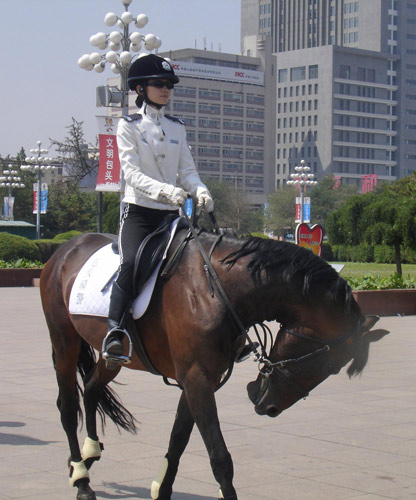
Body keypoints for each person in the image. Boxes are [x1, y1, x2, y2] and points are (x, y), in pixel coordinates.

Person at [102, 54, 214, 364]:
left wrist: (200, 189)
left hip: (171, 216)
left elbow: (187, 171)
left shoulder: (177, 127)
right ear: (140, 88)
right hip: (139, 212)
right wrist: (166, 191)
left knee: (204, 260)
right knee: (131, 263)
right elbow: (132, 175)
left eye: (169, 85)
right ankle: (115, 330)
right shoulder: (128, 126)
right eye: (159, 84)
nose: (166, 90)